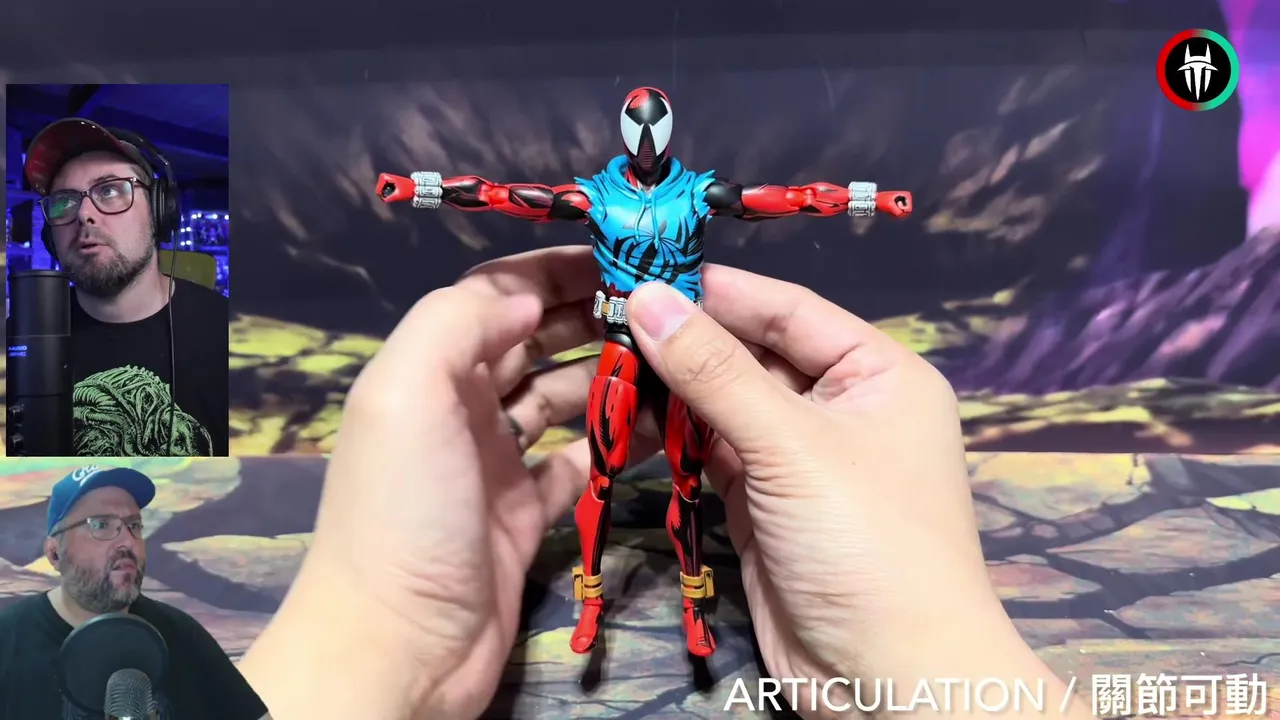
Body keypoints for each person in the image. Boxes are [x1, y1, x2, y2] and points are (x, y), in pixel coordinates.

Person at [236, 246, 1091, 720]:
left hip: (658, 369)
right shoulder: (607, 192)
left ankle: (688, 608)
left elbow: (762, 204)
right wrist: (388, 628)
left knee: (684, 484)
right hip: (614, 363)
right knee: (602, 481)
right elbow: (533, 200)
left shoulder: (691, 192)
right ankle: (599, 604)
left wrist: (928, 655)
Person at [23, 118, 229, 456]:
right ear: (50, 237)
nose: (83, 214)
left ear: (160, 210)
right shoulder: (19, 341)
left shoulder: (235, 337)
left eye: (109, 190)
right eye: (64, 201)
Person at [0, 465, 269, 719]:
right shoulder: (8, 641)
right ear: (54, 553)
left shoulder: (183, 635)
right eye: (101, 525)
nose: (127, 541)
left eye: (134, 525)